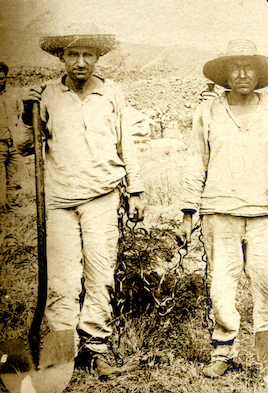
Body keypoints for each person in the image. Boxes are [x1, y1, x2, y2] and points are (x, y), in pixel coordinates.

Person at [17, 23, 145, 377]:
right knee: (62, 281)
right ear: (61, 57)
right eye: (72, 54)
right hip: (59, 202)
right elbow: (26, 147)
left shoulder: (112, 93)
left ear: (98, 57)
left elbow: (127, 145)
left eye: (88, 54)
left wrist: (136, 191)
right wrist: (26, 116)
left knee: (100, 275)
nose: (80, 62)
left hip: (102, 197)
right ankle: (61, 354)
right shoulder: (46, 95)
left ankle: (95, 349)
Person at [180, 38, 268, 378]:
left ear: (259, 74)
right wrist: (188, 211)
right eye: (235, 68)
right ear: (225, 75)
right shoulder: (208, 110)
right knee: (222, 286)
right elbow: (195, 161)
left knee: (265, 284)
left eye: (249, 68)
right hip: (218, 211)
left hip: (261, 211)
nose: (242, 74)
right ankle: (223, 350)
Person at [0, 61, 23, 211]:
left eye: (2, 78)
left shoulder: (14, 95)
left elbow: (21, 116)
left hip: (14, 144)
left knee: (15, 179)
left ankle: (13, 210)